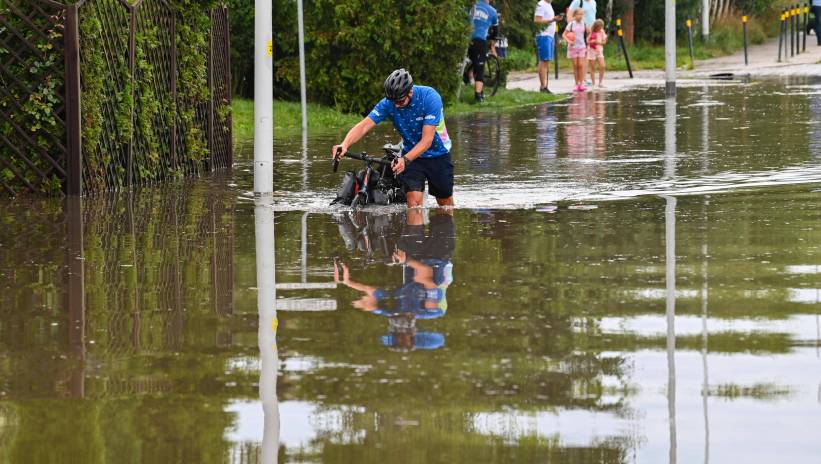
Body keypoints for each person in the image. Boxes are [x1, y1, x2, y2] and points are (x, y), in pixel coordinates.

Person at [332, 69, 454, 208]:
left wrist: (405, 159)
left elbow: (427, 141)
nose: (396, 105)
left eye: (400, 101)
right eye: (393, 101)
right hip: (410, 155)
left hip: (438, 154)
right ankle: (414, 230)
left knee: (444, 204)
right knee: (413, 203)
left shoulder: (430, 97)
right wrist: (345, 144)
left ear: (410, 92)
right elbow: (364, 125)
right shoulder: (389, 103)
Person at [469, 0, 499, 102]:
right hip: (480, 40)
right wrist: (492, 44)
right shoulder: (492, 11)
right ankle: (478, 96)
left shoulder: (471, 5)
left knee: (473, 64)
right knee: (480, 68)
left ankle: (468, 77)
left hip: (465, 39)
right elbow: (495, 32)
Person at [534, 0, 562, 94]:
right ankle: (543, 87)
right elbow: (537, 21)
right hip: (543, 35)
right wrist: (552, 20)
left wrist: (555, 19)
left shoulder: (549, 5)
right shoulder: (541, 4)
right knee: (544, 60)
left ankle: (545, 86)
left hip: (549, 35)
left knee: (547, 61)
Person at [563, 8, 588, 92]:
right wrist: (569, 41)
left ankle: (581, 83)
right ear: (575, 15)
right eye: (578, 14)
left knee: (580, 65)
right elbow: (564, 35)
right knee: (575, 66)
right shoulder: (571, 24)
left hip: (581, 47)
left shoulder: (584, 24)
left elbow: (589, 33)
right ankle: (576, 84)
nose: (580, 16)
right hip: (572, 48)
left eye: (581, 14)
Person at [587, 19, 607, 88]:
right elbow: (587, 41)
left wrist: (598, 42)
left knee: (602, 66)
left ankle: (600, 82)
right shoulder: (591, 31)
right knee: (592, 67)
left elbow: (604, 42)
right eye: (599, 27)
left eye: (601, 27)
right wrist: (591, 41)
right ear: (596, 26)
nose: (600, 28)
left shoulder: (602, 32)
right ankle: (593, 83)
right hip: (591, 50)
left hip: (599, 51)